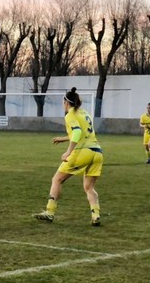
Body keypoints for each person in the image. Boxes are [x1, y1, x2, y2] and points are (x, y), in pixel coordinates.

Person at [33, 87, 103, 226]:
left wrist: (68, 151)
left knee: (57, 179)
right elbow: (82, 133)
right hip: (97, 152)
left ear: (66, 102)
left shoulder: (70, 115)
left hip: (83, 152)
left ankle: (50, 212)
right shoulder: (84, 113)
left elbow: (77, 133)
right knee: (89, 188)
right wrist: (63, 138)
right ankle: (95, 215)